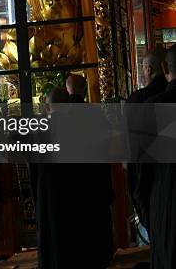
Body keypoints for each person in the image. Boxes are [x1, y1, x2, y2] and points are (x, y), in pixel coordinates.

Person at [30, 88, 114, 269]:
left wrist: (38, 206)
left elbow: (34, 172)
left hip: (50, 200)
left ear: (46, 107)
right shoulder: (85, 128)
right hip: (80, 200)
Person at [139, 44, 176, 268]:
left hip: (166, 201)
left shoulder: (154, 108)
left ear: (163, 67)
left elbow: (143, 171)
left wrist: (146, 210)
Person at [126, 47, 167, 230]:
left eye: (143, 68)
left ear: (149, 69)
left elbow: (134, 151)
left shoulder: (138, 100)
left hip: (150, 182)